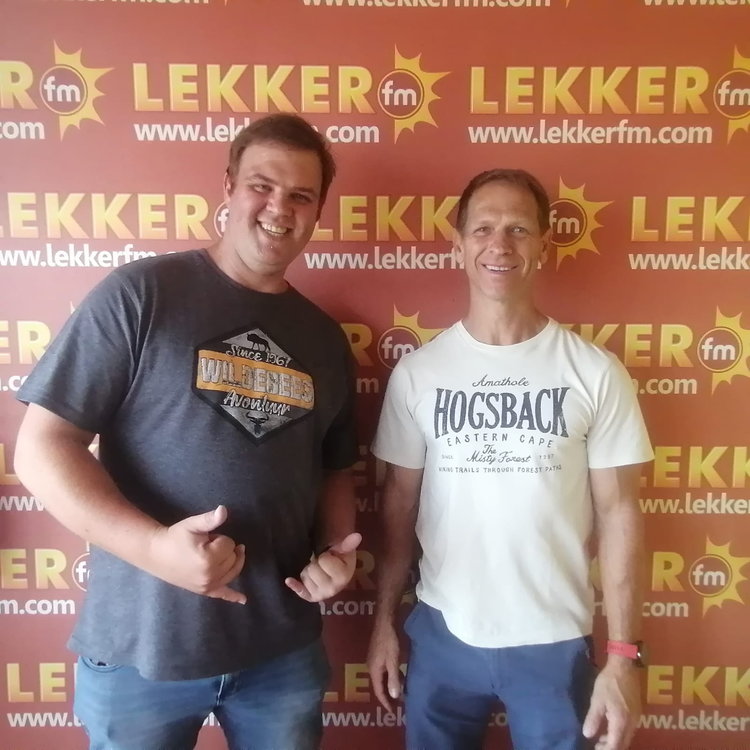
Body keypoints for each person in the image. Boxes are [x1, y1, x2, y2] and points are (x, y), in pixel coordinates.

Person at [15, 114, 361, 750]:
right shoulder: (141, 294)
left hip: (279, 652)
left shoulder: (324, 338)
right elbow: (41, 448)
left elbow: (334, 467)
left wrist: (335, 553)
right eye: (261, 186)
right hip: (142, 648)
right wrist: (154, 550)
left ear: (318, 212)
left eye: (301, 195)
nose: (279, 208)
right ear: (228, 187)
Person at [367, 168, 653, 750]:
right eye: (483, 229)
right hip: (442, 635)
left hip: (554, 642)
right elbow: (398, 509)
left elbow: (620, 514)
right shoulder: (418, 374)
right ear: (458, 244)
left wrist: (624, 655)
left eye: (519, 229)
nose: (499, 245)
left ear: (544, 245)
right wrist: (382, 626)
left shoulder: (594, 372)